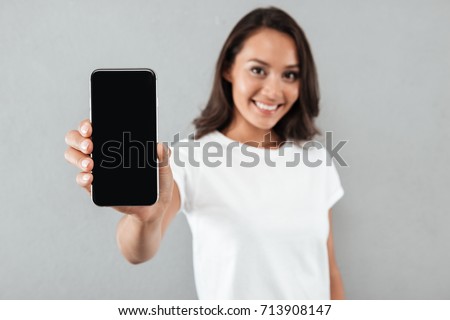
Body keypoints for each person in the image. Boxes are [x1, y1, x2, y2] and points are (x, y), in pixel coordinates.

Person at [64, 7, 345, 299]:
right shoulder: (191, 159)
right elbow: (136, 252)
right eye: (258, 70)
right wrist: (145, 219)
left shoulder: (316, 161)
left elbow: (329, 269)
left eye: (290, 75)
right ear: (228, 69)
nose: (274, 91)